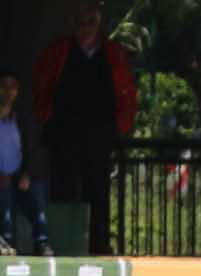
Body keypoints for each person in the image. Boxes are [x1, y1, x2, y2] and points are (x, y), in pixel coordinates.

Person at [32, 1, 136, 256]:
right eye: (81, 23)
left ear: (99, 25)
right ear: (73, 25)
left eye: (91, 23)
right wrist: (48, 118)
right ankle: (62, 245)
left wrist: (118, 126)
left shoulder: (112, 53)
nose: (85, 28)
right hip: (64, 134)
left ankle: (98, 246)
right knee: (62, 190)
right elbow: (41, 87)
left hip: (99, 134)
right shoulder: (59, 51)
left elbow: (127, 93)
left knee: (98, 192)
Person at [0, 69, 51, 257]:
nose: (7, 91)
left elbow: (33, 149)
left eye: (12, 87)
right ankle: (6, 243)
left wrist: (27, 174)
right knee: (4, 201)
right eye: (3, 86)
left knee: (36, 200)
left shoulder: (22, 119)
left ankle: (42, 243)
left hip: (20, 176)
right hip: (1, 179)